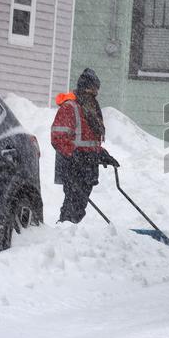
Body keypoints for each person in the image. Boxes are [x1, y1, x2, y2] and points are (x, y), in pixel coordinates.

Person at [51, 69, 119, 224]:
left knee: (79, 208)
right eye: (92, 90)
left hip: (87, 166)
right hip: (73, 167)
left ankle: (67, 234)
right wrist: (74, 155)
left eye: (96, 91)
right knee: (72, 207)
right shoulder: (70, 108)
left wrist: (102, 154)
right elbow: (58, 138)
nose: (94, 95)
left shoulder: (90, 110)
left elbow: (89, 140)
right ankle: (63, 234)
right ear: (84, 88)